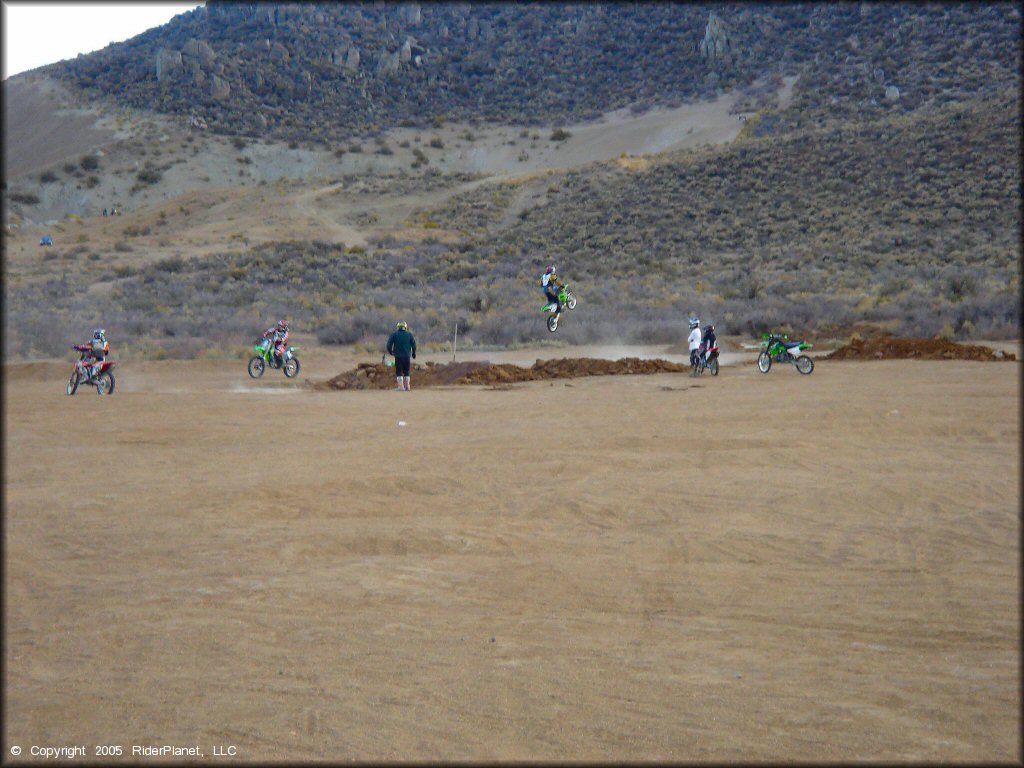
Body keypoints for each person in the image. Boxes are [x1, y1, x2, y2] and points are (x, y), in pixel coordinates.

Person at [386, 321, 417, 391]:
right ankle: (407, 387)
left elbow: (388, 345)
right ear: (405, 327)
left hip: (398, 356)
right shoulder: (409, 335)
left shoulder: (394, 335)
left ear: (398, 327)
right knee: (407, 371)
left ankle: (401, 387)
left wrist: (391, 352)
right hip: (407, 356)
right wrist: (413, 353)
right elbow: (414, 345)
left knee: (399, 371)